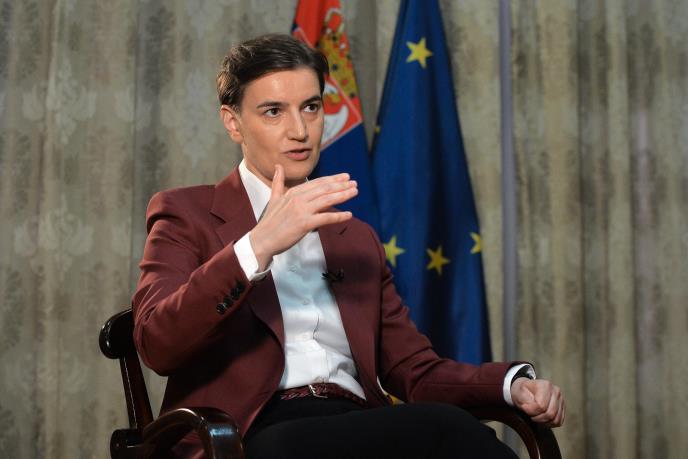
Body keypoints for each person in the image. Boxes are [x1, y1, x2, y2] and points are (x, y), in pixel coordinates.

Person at [132, 34, 564, 459]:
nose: (299, 131)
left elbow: (413, 370)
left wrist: (509, 386)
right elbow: (157, 342)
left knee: (449, 430)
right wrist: (258, 245)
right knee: (439, 428)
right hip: (248, 434)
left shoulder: (356, 238)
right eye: (273, 111)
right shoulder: (185, 213)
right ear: (233, 122)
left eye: (311, 107)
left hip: (356, 421)